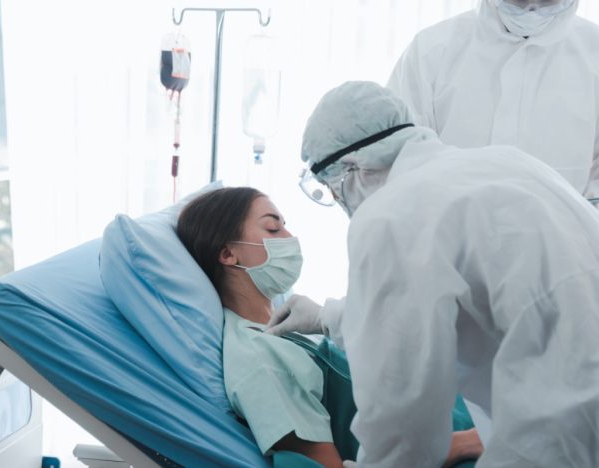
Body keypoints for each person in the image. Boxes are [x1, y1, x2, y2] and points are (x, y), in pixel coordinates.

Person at [266, 81, 599, 466]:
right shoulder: (506, 163)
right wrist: (328, 317)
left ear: (353, 169)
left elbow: (403, 412)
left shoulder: (390, 214)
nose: (341, 202)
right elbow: (441, 301)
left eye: (333, 190)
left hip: (564, 431)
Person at [176, 187, 483, 467]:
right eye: (273, 227)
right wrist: (463, 443)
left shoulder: (285, 331)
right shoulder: (257, 361)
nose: (290, 237)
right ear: (228, 253)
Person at [387, 0, 599, 198]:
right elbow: (400, 167)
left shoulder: (593, 53)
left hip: (566, 237)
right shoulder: (431, 51)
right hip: (446, 235)